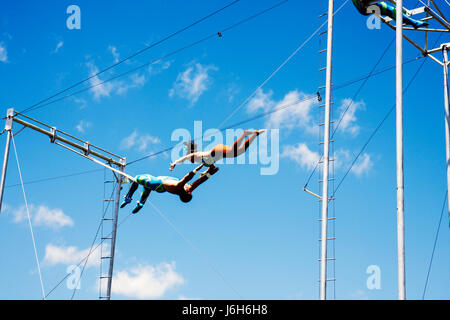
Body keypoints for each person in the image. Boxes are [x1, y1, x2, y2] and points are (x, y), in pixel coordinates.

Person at [120, 163, 219, 213]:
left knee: (136, 178)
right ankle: (141, 204)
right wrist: (210, 173)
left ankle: (128, 198)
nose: (190, 188)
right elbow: (200, 181)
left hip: (156, 182)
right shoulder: (187, 189)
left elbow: (188, 177)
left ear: (186, 193)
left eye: (189, 191)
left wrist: (201, 166)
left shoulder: (179, 187)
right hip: (160, 188)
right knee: (146, 188)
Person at [169, 130, 266, 171]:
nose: (190, 161)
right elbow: (211, 164)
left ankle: (244, 134)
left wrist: (174, 163)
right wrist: (206, 172)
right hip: (219, 153)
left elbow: (183, 158)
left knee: (233, 150)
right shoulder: (201, 161)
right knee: (240, 152)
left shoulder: (193, 155)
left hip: (216, 151)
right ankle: (255, 134)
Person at [352, 0, 428, 29]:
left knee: (391, 10)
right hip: (362, 6)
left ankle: (413, 22)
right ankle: (413, 22)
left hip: (368, 6)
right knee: (389, 9)